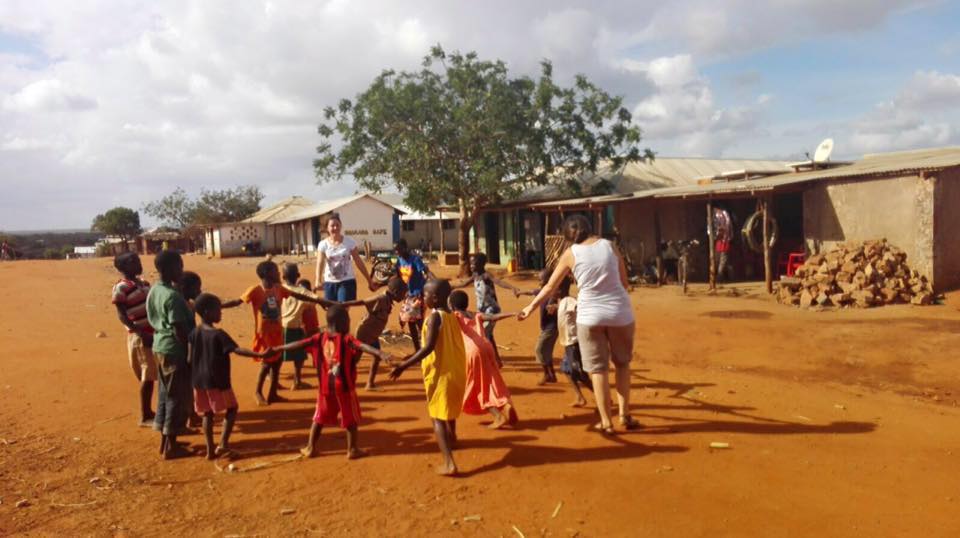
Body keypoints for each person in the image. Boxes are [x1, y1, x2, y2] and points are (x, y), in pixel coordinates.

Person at [519, 215, 639, 435]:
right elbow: (624, 282)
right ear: (590, 229)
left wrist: (529, 308)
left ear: (567, 236)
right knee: (622, 364)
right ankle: (624, 414)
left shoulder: (570, 254)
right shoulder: (609, 246)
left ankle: (606, 422)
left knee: (598, 370)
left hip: (590, 316)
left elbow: (548, 288)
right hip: (620, 313)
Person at [273, 304, 394, 459]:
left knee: (319, 417)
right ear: (341, 323)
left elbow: (299, 344)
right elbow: (362, 346)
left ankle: (310, 447)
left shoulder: (319, 338)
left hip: (325, 388)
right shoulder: (346, 339)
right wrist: (380, 353)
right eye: (348, 320)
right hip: (344, 386)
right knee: (350, 418)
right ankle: (352, 449)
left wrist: (279, 348)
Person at [222, 260, 332, 406]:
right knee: (266, 364)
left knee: (277, 363)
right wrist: (220, 305)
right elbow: (237, 301)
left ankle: (273, 393)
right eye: (275, 271)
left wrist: (319, 301)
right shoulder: (255, 290)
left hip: (278, 333)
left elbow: (298, 295)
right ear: (267, 274)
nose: (279, 273)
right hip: (264, 335)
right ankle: (258, 392)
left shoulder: (278, 288)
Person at [389, 279, 466, 476]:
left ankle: (449, 463)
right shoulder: (451, 315)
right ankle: (453, 438)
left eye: (425, 295)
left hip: (440, 373)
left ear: (435, 298)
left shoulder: (434, 318)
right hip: (455, 370)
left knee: (436, 416)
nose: (422, 298)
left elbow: (428, 347)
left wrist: (403, 366)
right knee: (446, 408)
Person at [190, 293, 270, 460]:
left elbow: (190, 357)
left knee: (207, 414)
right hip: (218, 381)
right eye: (217, 310)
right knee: (232, 408)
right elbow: (237, 350)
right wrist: (259, 355)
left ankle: (210, 450)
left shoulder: (194, 332)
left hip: (199, 380)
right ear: (206, 312)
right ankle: (223, 444)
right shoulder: (218, 334)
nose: (220, 313)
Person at [145, 250, 194, 459]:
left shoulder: (155, 290)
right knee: (178, 397)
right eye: (178, 266)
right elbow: (179, 330)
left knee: (165, 394)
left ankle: (165, 441)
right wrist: (190, 354)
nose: (181, 271)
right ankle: (171, 446)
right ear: (166, 269)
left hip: (160, 346)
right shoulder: (172, 296)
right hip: (174, 349)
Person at [448, 290, 518, 429]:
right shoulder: (475, 314)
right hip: (487, 347)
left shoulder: (454, 316)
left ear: (452, 305)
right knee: (491, 380)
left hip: (472, 351)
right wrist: (513, 313)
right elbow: (493, 317)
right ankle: (505, 404)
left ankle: (497, 415)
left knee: (477, 387)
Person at [453, 252, 523, 367]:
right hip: (482, 310)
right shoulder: (475, 276)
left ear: (481, 264)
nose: (471, 266)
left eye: (474, 264)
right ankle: (497, 361)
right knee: (489, 336)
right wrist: (451, 287)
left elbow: (499, 282)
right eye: (470, 264)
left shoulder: (486, 276)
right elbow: (464, 284)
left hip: (492, 310)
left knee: (483, 334)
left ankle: (487, 360)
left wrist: (513, 288)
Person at [111, 252, 156, 427]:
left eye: (137, 260)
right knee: (148, 375)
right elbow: (122, 316)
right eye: (133, 262)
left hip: (153, 333)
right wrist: (140, 332)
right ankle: (145, 415)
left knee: (153, 373)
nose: (138, 264)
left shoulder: (144, 283)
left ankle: (150, 412)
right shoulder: (121, 287)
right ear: (122, 267)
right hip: (140, 336)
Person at [341, 276, 407, 391]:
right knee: (355, 359)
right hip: (364, 333)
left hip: (373, 334)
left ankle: (369, 384)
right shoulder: (381, 298)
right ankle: (341, 381)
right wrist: (342, 305)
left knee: (376, 357)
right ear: (396, 292)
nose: (403, 296)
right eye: (403, 293)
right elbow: (362, 302)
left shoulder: (388, 300)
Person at [315, 213, 373, 302]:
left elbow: (358, 262)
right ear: (327, 228)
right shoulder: (323, 244)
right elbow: (320, 263)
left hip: (347, 281)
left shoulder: (350, 242)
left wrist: (369, 280)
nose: (335, 228)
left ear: (341, 226)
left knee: (342, 308)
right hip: (330, 282)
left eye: (337, 225)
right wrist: (318, 280)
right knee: (332, 311)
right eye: (332, 226)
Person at [518, 269, 560, 385]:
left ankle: (547, 374)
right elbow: (532, 292)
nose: (539, 282)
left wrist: (552, 306)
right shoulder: (542, 291)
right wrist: (520, 293)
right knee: (546, 352)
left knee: (539, 350)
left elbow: (553, 303)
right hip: (547, 326)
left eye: (541, 279)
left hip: (551, 328)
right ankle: (552, 375)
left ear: (548, 280)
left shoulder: (553, 293)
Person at [556, 276, 593, 407]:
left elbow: (579, 307)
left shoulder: (569, 300)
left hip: (574, 343)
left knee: (580, 373)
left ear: (559, 289)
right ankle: (579, 397)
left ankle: (601, 396)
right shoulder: (562, 302)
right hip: (567, 343)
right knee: (566, 370)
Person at [393, 239, 433, 350]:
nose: (397, 252)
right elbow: (397, 277)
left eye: (398, 249)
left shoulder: (415, 260)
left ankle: (428, 347)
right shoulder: (399, 261)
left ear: (405, 248)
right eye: (395, 250)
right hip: (408, 295)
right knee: (410, 322)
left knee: (419, 323)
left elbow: (426, 271)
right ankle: (417, 350)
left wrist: (435, 282)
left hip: (418, 294)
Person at [280, 263, 314, 390]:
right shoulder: (303, 291)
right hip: (295, 327)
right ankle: (297, 381)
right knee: (299, 357)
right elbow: (314, 302)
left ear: (283, 276)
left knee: (276, 356)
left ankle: (274, 380)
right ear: (298, 276)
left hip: (280, 327)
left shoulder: (279, 289)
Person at [713, 206, 733, 283]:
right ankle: (721, 276)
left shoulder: (724, 214)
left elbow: (728, 226)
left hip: (725, 240)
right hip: (719, 241)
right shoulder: (714, 216)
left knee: (723, 259)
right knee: (719, 259)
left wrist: (724, 231)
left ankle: (720, 277)